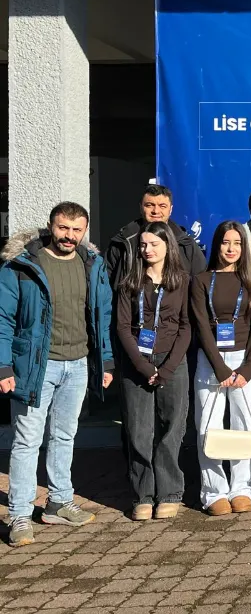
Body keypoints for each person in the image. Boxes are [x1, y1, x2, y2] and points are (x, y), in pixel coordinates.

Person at [0, 202, 115, 547]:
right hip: (36, 366)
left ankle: (58, 502)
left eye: (77, 229)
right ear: (51, 226)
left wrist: (105, 361)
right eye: (63, 228)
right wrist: (4, 366)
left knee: (64, 436)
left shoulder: (91, 264)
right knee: (27, 441)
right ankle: (20, 514)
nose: (69, 236)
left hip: (77, 364)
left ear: (85, 231)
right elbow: (3, 318)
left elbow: (102, 316)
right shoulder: (22, 265)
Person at [190, 222, 251, 516]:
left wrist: (247, 368)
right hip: (211, 362)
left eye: (237, 243)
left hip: (244, 362)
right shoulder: (201, 280)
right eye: (225, 242)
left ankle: (242, 488)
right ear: (217, 245)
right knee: (208, 427)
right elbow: (201, 327)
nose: (231, 248)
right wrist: (220, 368)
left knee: (244, 425)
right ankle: (213, 492)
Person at [115, 222, 191, 521]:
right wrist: (143, 366)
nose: (148, 250)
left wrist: (168, 367)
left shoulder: (182, 281)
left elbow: (186, 326)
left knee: (172, 428)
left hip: (173, 362)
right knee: (139, 431)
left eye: (154, 244)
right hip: (137, 363)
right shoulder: (130, 281)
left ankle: (170, 492)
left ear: (168, 246)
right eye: (144, 245)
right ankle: (143, 494)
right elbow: (122, 327)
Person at [106, 184, 207, 290]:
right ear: (141, 207)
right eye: (149, 205)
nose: (156, 211)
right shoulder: (123, 242)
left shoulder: (186, 243)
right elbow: (106, 282)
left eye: (162, 206)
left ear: (170, 209)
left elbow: (200, 284)